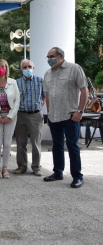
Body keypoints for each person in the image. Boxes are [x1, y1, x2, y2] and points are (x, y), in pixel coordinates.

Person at [43, 47, 88, 188]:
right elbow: (48, 94)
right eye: (48, 56)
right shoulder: (48, 74)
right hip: (54, 116)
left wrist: (80, 111)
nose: (49, 59)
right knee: (56, 145)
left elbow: (84, 89)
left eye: (52, 56)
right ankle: (58, 172)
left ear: (61, 56)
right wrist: (49, 112)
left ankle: (77, 176)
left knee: (72, 145)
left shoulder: (74, 68)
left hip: (70, 115)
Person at [0, 59, 20, 179]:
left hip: (10, 116)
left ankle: (5, 167)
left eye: (2, 66)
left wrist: (10, 116)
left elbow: (17, 100)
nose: (0, 69)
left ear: (6, 68)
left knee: (7, 143)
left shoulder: (13, 82)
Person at [14, 59, 46, 176]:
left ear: (33, 68)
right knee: (20, 142)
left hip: (35, 114)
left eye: (29, 67)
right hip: (20, 115)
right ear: (21, 69)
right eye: (24, 67)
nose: (27, 69)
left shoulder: (40, 81)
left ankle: (36, 167)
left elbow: (44, 97)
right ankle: (21, 166)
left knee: (36, 142)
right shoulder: (16, 83)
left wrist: (39, 109)